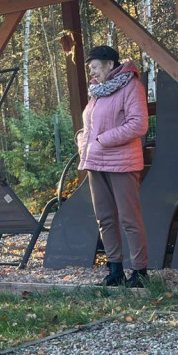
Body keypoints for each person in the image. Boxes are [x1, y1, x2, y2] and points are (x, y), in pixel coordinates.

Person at [76, 45, 150, 287]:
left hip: (122, 164)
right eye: (91, 69)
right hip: (95, 163)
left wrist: (102, 140)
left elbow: (138, 125)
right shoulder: (97, 92)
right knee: (104, 218)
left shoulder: (131, 86)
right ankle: (115, 270)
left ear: (110, 64)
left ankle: (139, 272)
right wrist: (82, 142)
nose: (93, 73)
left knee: (130, 218)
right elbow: (90, 127)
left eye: (95, 67)